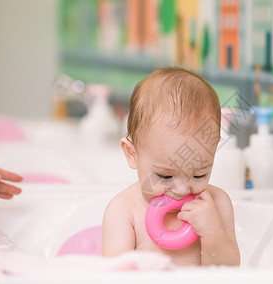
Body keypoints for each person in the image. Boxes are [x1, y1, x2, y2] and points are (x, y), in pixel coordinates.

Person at [102, 67, 240, 266]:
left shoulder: (218, 205)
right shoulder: (124, 211)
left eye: (199, 174)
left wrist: (213, 233)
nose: (182, 189)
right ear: (132, 154)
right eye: (165, 176)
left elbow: (231, 274)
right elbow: (112, 281)